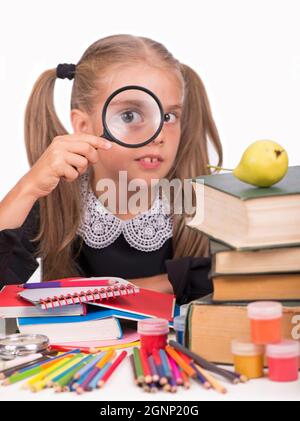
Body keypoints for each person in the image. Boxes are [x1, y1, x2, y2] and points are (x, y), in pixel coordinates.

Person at [0, 34, 223, 304]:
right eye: (130, 115)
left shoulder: (201, 202)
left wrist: (100, 294)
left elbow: (235, 279)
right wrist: (28, 188)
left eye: (168, 116)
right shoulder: (58, 200)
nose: (158, 135)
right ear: (83, 126)